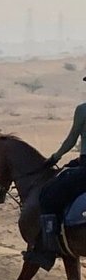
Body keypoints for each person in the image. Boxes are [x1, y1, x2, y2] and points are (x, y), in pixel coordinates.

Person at [29, 76, 86, 267]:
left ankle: (49, 250)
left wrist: (55, 157)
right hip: (82, 162)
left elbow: (71, 140)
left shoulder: (83, 109)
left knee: (49, 193)